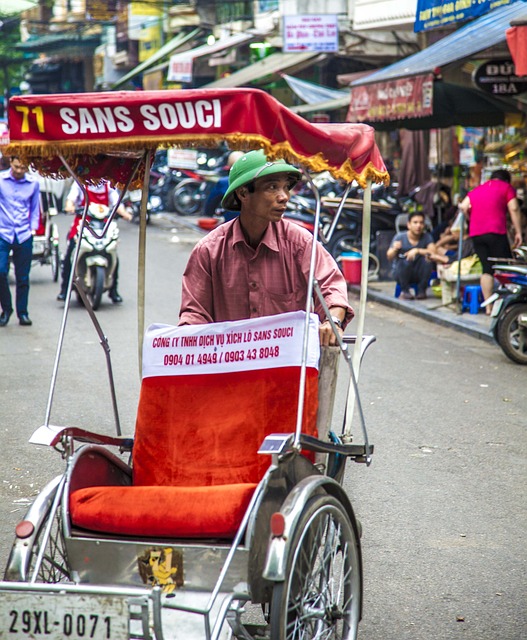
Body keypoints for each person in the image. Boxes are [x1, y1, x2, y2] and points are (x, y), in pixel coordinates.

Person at [179, 150, 353, 346]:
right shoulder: (209, 250)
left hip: (289, 365)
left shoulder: (301, 244)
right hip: (229, 366)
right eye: (272, 187)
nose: (284, 197)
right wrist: (189, 336)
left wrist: (333, 321)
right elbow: (194, 312)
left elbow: (331, 288)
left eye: (286, 187)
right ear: (243, 193)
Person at [57, 180, 132, 303]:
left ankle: (113, 290)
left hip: (103, 226)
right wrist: (69, 206)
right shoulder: (80, 183)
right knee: (71, 253)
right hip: (83, 224)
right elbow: (71, 199)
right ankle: (65, 289)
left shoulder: (109, 184)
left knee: (113, 254)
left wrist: (125, 214)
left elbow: (117, 203)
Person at [458, 169, 523, 309]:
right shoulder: (506, 187)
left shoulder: (477, 189)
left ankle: (489, 307)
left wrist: (472, 219)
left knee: (487, 268)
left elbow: (463, 206)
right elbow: (514, 208)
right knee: (506, 266)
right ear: (506, 180)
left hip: (476, 233)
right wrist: (518, 232)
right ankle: (509, 305)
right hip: (495, 231)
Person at [0, 157, 40, 326]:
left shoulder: (34, 183)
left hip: (24, 234)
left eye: (23, 168)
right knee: (1, 271)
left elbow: (35, 207)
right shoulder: (1, 180)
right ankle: (6, 308)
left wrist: (33, 228)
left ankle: (22, 312)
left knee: (23, 277)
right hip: (3, 233)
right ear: (11, 163)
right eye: (16, 166)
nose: (18, 171)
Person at [386, 210, 448, 300]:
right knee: (404, 261)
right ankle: (405, 291)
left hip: (419, 272)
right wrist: (395, 249)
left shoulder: (427, 237)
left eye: (421, 223)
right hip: (402, 274)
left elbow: (433, 253)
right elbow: (389, 256)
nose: (418, 225)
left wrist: (417, 250)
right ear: (409, 225)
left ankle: (421, 290)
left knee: (427, 259)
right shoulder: (400, 237)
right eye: (415, 222)